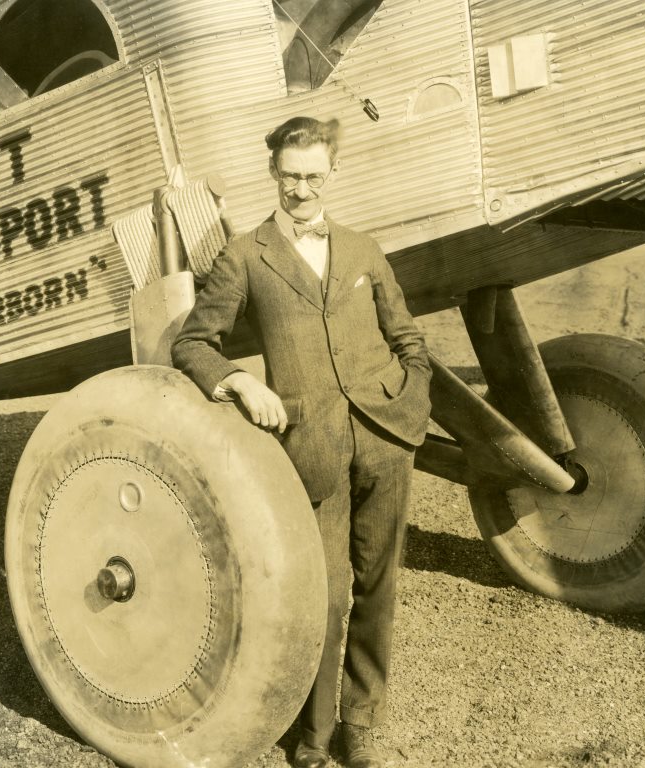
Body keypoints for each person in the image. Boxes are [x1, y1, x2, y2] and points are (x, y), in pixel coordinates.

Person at [171, 116, 432, 768]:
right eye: (290, 177)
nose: (301, 190)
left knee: (378, 588)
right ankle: (313, 739)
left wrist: (410, 405)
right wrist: (237, 382)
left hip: (384, 441)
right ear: (274, 176)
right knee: (326, 596)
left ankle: (360, 725)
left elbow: (409, 342)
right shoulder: (244, 256)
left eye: (313, 176)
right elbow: (191, 343)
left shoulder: (364, 250)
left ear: (332, 174)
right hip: (309, 450)